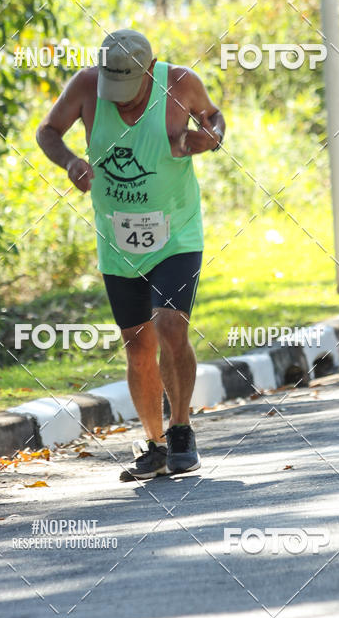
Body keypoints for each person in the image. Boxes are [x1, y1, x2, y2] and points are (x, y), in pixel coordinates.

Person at [36, 29, 225, 479]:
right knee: (138, 346)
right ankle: (154, 445)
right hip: (117, 239)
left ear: (150, 69)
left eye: (129, 90)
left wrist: (210, 138)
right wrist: (69, 162)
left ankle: (181, 431)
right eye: (112, 89)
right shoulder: (85, 86)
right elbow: (47, 131)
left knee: (170, 324)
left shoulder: (180, 83)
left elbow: (214, 117)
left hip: (177, 231)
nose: (119, 102)